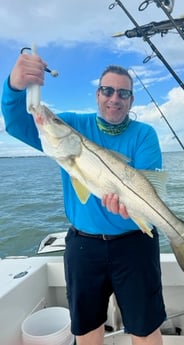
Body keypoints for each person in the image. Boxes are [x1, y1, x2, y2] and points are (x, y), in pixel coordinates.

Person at [1, 53, 166, 345]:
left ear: (131, 100)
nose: (114, 98)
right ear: (97, 93)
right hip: (83, 245)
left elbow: (144, 188)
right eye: (107, 90)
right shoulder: (72, 125)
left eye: (123, 93)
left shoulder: (144, 135)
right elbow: (16, 123)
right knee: (87, 326)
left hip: (135, 244)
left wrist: (130, 208)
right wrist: (14, 86)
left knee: (145, 327)